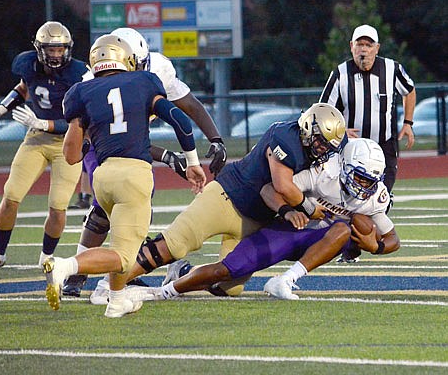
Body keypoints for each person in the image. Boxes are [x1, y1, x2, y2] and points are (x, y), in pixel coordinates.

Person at [89, 102, 346, 304]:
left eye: (327, 146)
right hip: (226, 196)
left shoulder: (319, 146)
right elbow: (283, 186)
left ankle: (182, 273)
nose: (322, 149)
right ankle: (110, 285)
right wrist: (310, 208)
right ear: (307, 128)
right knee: (174, 245)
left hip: (255, 219)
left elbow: (278, 191)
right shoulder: (285, 137)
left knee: (228, 286)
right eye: (320, 142)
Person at [42, 34, 206, 318]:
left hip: (103, 177)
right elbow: (180, 120)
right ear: (127, 59)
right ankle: (64, 268)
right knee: (123, 257)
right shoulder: (144, 81)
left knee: (120, 243)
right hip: (134, 174)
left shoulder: (82, 91)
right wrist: (192, 162)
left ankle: (116, 300)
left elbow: (71, 156)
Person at [140, 138, 399, 302]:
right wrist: (293, 209)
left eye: (370, 180)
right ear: (344, 166)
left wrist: (376, 247)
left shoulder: (375, 196)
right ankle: (169, 287)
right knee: (225, 275)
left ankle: (285, 280)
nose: (365, 186)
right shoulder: (321, 173)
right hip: (290, 230)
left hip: (319, 242)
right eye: (361, 177)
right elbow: (268, 189)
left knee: (343, 229)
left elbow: (393, 239)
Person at [0, 21, 88, 277]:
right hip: (36, 138)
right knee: (11, 195)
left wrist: (44, 122)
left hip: (68, 142)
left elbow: (82, 119)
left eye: (60, 49)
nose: (55, 55)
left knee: (58, 206)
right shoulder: (28, 64)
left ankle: (46, 256)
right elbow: (23, 88)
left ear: (68, 49)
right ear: (40, 49)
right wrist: (0, 110)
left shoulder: (79, 73)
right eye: (50, 50)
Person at [320, 24, 415, 263]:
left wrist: (408, 122)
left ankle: (359, 243)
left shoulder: (392, 68)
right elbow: (324, 110)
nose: (363, 50)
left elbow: (409, 90)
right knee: (348, 199)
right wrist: (340, 131)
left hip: (384, 145)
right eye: (359, 44)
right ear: (351, 47)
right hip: (352, 151)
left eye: (368, 45)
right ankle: (349, 248)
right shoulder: (341, 73)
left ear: (377, 48)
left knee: (381, 199)